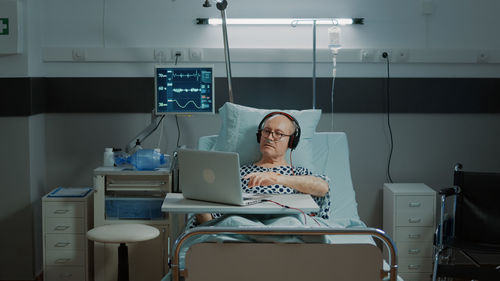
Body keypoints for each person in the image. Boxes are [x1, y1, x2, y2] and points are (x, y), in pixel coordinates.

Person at [194, 112, 331, 225]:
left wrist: (277, 178)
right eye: (266, 131)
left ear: (291, 142)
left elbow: (322, 188)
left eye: (278, 133)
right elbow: (210, 222)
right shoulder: (237, 173)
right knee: (233, 222)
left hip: (286, 225)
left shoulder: (299, 174)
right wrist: (200, 199)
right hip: (241, 226)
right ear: (259, 136)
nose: (270, 137)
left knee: (291, 223)